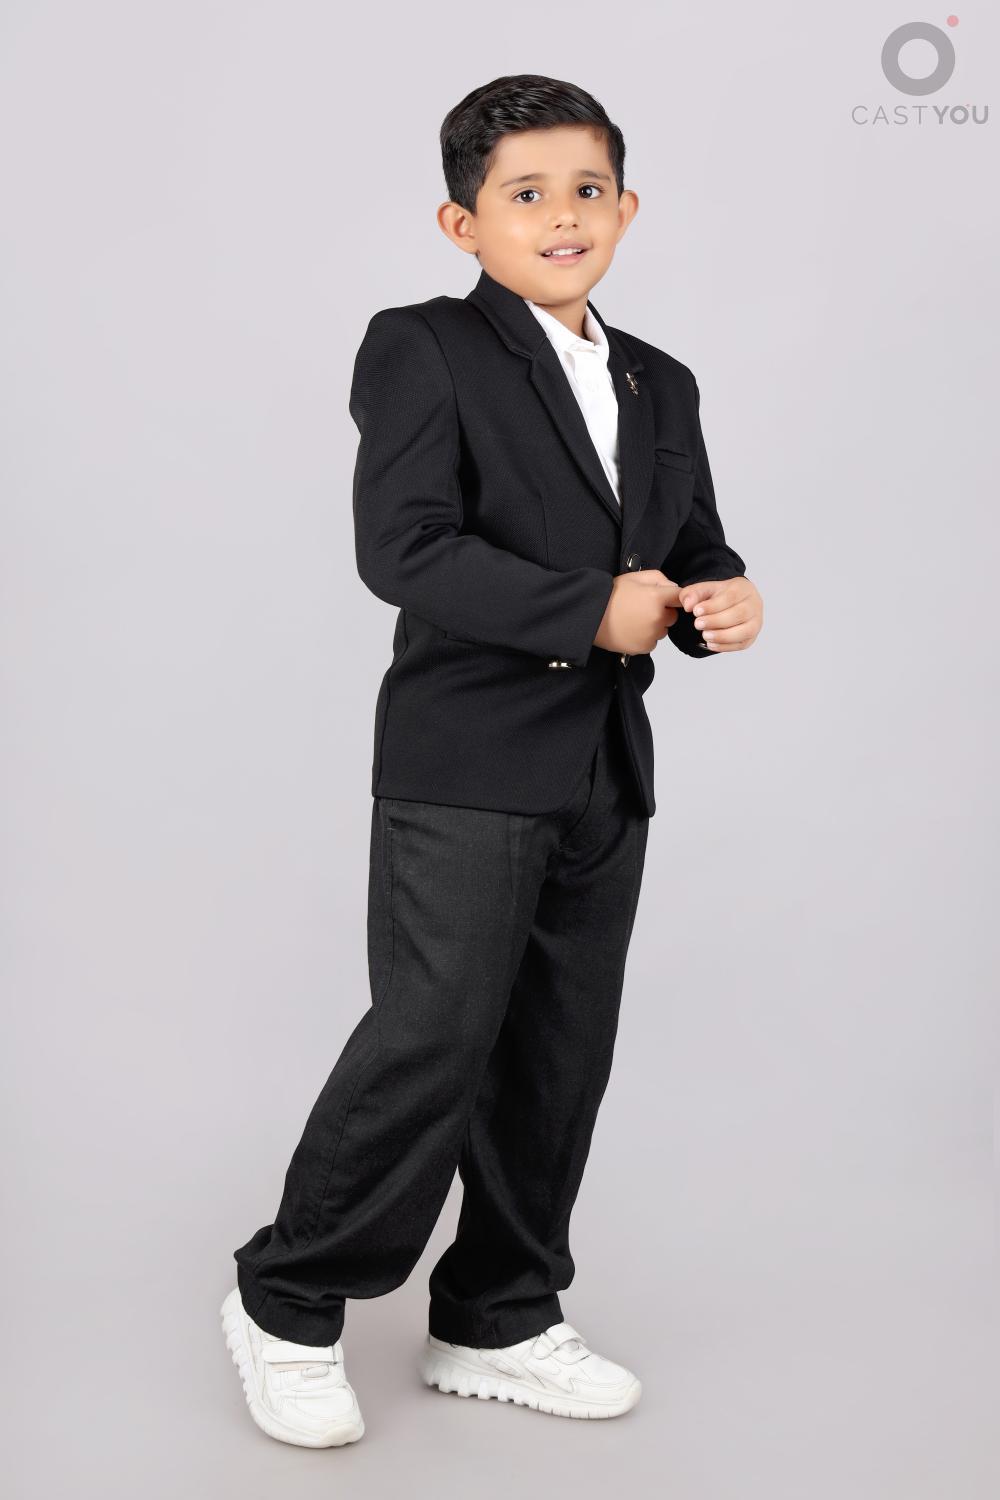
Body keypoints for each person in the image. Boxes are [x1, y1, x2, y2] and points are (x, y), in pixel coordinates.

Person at [220, 72, 764, 1448]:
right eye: (527, 194)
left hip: (604, 766)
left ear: (627, 208)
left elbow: (683, 538)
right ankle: (288, 1300)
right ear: (464, 223)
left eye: (588, 189)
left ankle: (499, 1314)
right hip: (464, 757)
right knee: (435, 1035)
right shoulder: (424, 346)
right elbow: (402, 548)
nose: (563, 215)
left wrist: (721, 591)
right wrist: (587, 612)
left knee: (559, 1050)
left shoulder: (660, 379)